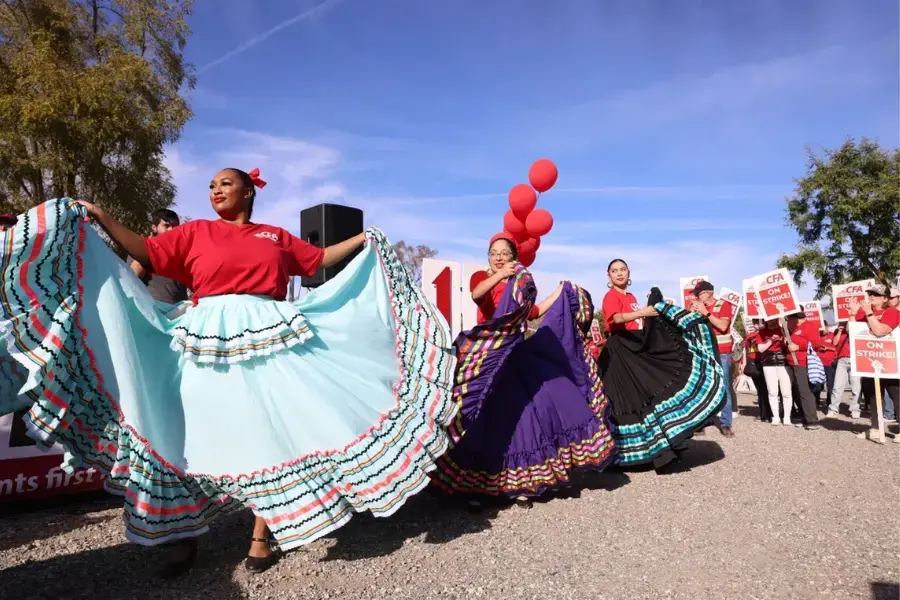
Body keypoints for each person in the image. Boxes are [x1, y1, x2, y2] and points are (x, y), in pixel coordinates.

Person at [0, 170, 457, 578]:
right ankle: (183, 534)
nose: (216, 189)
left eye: (226, 183)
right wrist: (101, 216)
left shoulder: (275, 237)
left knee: (270, 431)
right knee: (192, 430)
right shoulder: (196, 232)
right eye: (212, 185)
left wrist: (362, 241)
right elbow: (145, 250)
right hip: (206, 338)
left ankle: (262, 531)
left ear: (248, 192)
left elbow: (317, 260)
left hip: (270, 337)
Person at [431, 233, 616, 508]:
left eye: (504, 253)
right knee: (483, 422)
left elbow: (535, 312)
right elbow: (476, 295)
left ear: (514, 258)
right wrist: (499, 275)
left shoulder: (520, 287)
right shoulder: (489, 282)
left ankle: (522, 485)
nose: (498, 257)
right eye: (494, 253)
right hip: (488, 363)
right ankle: (477, 487)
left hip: (516, 357)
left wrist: (560, 291)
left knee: (524, 418)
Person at [596, 259, 726, 469]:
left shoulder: (630, 296)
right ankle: (621, 453)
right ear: (608, 275)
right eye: (614, 271)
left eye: (622, 270)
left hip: (633, 346)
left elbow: (640, 320)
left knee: (649, 393)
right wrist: (643, 312)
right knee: (626, 400)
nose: (619, 274)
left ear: (629, 273)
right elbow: (616, 319)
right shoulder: (611, 296)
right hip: (619, 351)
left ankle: (661, 445)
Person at [851, 283, 900, 442]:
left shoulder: (892, 312)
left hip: (889, 361)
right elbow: (851, 332)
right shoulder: (863, 312)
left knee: (896, 395)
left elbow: (880, 331)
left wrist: (869, 314)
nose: (871, 296)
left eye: (875, 294)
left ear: (885, 298)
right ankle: (875, 428)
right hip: (869, 361)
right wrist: (852, 315)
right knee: (872, 397)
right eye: (870, 293)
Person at [689, 281, 737, 436]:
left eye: (698, 294)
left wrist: (705, 313)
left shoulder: (723, 305)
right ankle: (701, 423)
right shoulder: (698, 308)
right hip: (703, 353)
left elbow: (723, 326)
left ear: (707, 293)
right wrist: (691, 313)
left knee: (724, 388)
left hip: (722, 353)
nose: (696, 297)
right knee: (702, 388)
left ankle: (726, 423)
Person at [129, 208, 189, 304]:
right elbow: (132, 276)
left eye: (175, 227)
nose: (171, 230)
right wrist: (148, 247)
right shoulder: (140, 248)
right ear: (154, 227)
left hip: (180, 311)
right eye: (166, 226)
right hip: (153, 308)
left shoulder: (182, 253)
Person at [783, 312, 822, 430]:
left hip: (802, 362)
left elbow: (816, 343)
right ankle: (803, 415)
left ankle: (812, 419)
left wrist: (798, 347)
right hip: (790, 362)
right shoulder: (793, 328)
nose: (787, 321)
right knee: (795, 390)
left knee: (804, 390)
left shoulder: (809, 326)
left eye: (788, 318)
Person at [757, 319, 793, 426]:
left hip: (783, 362)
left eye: (773, 320)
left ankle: (787, 416)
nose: (771, 322)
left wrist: (783, 341)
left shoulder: (784, 330)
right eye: (769, 320)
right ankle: (775, 416)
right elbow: (760, 349)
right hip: (768, 363)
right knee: (772, 392)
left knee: (786, 392)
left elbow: (790, 345)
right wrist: (770, 341)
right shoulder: (761, 332)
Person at [825, 321, 861, 419]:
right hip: (841, 360)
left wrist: (849, 329)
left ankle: (855, 409)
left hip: (855, 359)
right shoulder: (838, 330)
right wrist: (840, 331)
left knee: (856, 387)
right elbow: (835, 343)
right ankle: (833, 409)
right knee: (837, 386)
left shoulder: (857, 328)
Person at [743, 320, 771, 421]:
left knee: (768, 390)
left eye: (759, 322)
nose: (756, 325)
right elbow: (745, 349)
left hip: (766, 362)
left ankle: (769, 412)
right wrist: (744, 362)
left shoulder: (767, 334)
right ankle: (763, 413)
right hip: (754, 363)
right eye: (754, 322)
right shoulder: (750, 335)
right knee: (761, 390)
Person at [815, 322, 837, 409]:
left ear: (826, 326)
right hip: (818, 364)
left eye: (822, 328)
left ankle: (830, 403)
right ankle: (816, 401)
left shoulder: (833, 335)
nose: (821, 330)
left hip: (830, 364)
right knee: (817, 385)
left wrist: (828, 348)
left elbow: (837, 348)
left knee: (830, 385)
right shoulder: (816, 337)